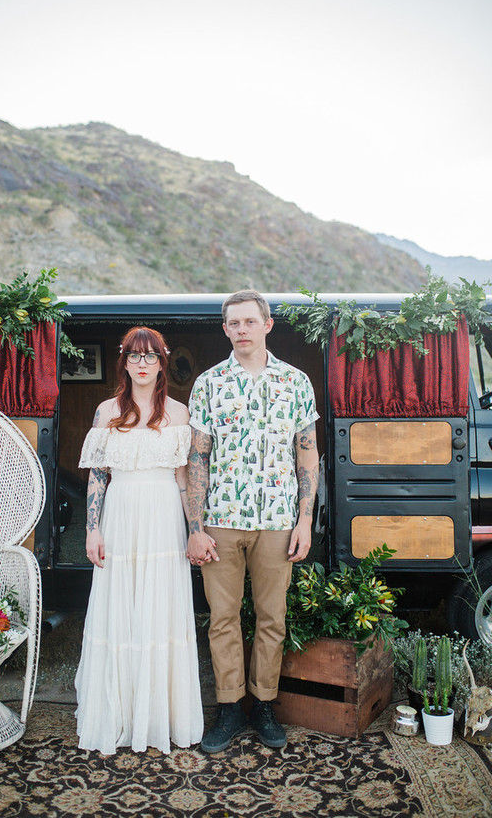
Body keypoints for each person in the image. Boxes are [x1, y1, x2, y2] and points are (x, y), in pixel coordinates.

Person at [187, 290, 320, 753]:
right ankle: (228, 707)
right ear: (224, 329)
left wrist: (304, 521)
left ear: (267, 324)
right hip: (221, 520)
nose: (241, 329)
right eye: (233, 323)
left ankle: (263, 704)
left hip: (278, 520)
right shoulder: (208, 384)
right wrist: (195, 527)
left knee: (272, 617)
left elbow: (307, 453)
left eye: (249, 321)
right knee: (222, 618)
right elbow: (197, 459)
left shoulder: (296, 382)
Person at [75, 327, 203, 754]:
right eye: (135, 356)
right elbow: (97, 475)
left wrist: (195, 529)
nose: (143, 363)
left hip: (164, 516)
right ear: (125, 362)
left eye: (151, 356)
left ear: (162, 362)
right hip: (121, 513)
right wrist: (92, 528)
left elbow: (184, 479)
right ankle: (120, 714)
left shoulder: (180, 414)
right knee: (120, 608)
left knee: (160, 609)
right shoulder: (106, 411)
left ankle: (159, 715)